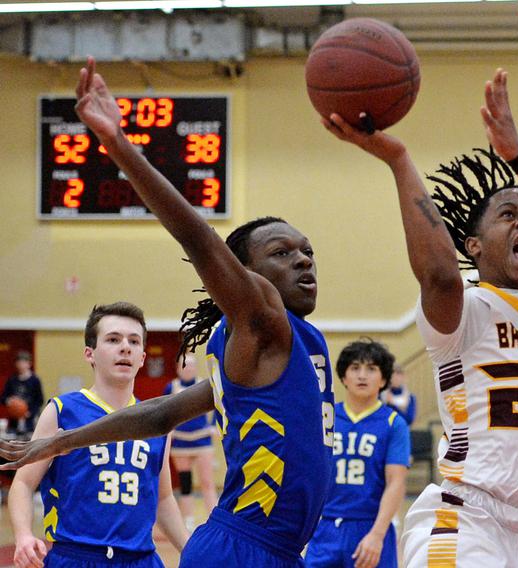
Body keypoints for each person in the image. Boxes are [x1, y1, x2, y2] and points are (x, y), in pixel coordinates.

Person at [0, 57, 335, 568]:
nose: (303, 258)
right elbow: (198, 239)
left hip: (274, 550)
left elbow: (158, 413)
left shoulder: (279, 345)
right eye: (281, 252)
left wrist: (62, 442)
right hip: (242, 549)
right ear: (243, 277)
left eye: (306, 249)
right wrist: (117, 144)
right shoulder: (260, 315)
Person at [323, 68, 518, 566]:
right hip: (467, 520)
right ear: (473, 247)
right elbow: (438, 274)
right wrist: (399, 160)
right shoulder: (465, 310)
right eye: (508, 215)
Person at [9, 302, 188, 568]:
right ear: (89, 353)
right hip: (76, 556)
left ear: (141, 357)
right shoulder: (62, 411)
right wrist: (23, 535)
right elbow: (23, 483)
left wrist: (190, 549)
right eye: (113, 339)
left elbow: (163, 499)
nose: (125, 346)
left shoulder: (157, 421)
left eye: (134, 341)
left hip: (140, 559)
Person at [304, 339, 409, 568]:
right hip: (326, 526)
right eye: (355, 368)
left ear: (383, 379)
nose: (362, 375)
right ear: (343, 377)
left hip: (369, 526)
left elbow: (396, 483)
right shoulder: (326, 419)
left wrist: (377, 535)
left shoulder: (393, 423)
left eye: (371, 369)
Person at [162, 352, 218, 530]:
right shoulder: (171, 387)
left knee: (207, 483)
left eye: (192, 365)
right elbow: (164, 411)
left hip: (202, 441)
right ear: (178, 368)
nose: (188, 369)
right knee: (185, 485)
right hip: (180, 443)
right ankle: (188, 522)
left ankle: (214, 523)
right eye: (184, 365)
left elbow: (220, 405)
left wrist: (214, 426)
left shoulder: (205, 385)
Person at [2, 351, 45, 436]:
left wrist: (30, 412)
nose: (21, 365)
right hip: (13, 422)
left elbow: (40, 400)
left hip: (29, 421)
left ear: (29, 364)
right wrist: (9, 401)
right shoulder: (12, 380)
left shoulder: (35, 380)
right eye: (19, 362)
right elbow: (3, 398)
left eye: (23, 362)